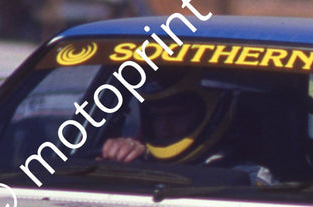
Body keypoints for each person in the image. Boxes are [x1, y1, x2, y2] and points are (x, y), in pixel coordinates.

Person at [101, 74, 274, 184]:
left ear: (213, 114)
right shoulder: (134, 162)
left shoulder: (248, 177)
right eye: (156, 117)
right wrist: (113, 159)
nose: (165, 127)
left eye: (176, 115)